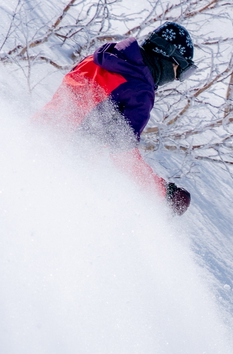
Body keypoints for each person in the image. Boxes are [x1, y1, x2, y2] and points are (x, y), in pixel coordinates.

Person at [36, 23, 195, 215]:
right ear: (169, 59)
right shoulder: (140, 91)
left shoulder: (100, 59)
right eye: (182, 71)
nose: (177, 79)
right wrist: (164, 194)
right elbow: (123, 155)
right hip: (61, 164)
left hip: (37, 136)